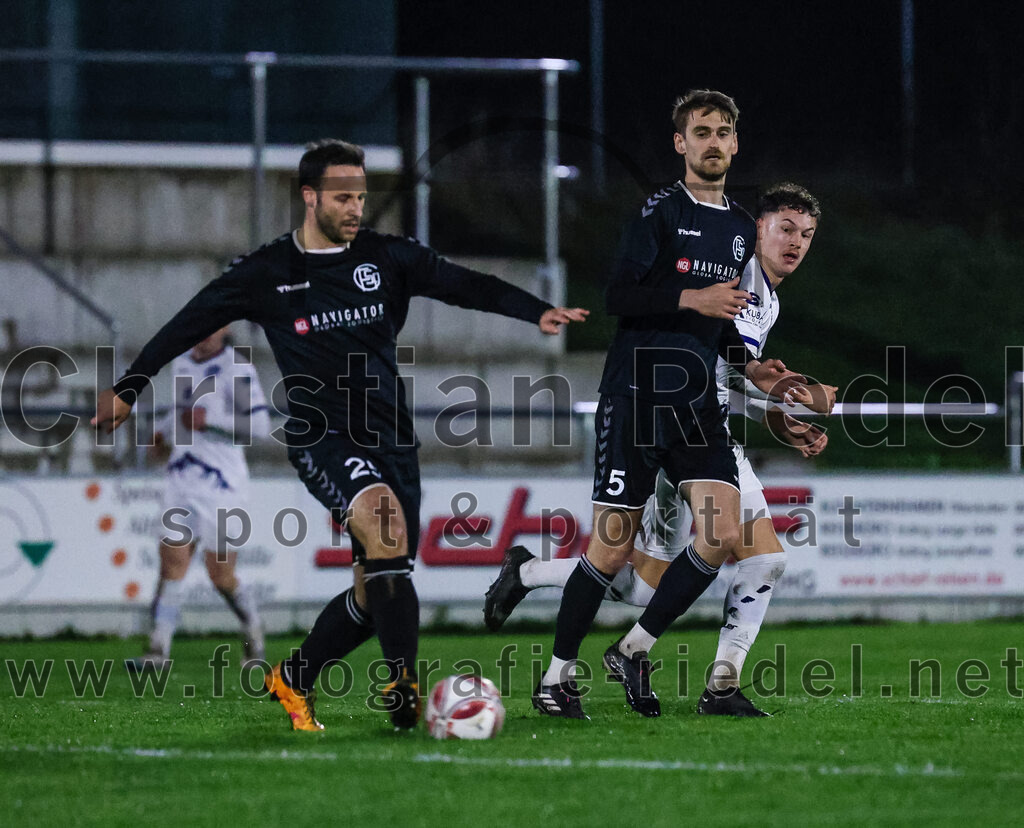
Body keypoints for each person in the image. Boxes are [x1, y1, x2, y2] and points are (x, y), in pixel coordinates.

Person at [93, 138, 588, 731]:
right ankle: (404, 689)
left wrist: (535, 310)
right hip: (322, 436)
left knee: (378, 580)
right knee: (385, 527)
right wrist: (129, 387)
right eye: (342, 196)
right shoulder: (268, 271)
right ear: (310, 197)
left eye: (361, 196)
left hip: (392, 439)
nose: (355, 207)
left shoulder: (387, 257)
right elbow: (187, 324)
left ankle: (294, 679)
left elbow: (465, 284)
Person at [486, 183, 835, 717]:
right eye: (784, 228)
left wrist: (774, 415)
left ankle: (531, 575)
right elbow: (704, 362)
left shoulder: (769, 299)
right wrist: (774, 405)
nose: (795, 242)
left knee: (653, 585)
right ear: (756, 229)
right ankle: (654, 663)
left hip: (702, 425)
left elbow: (725, 372)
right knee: (752, 559)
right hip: (679, 424)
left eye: (806, 235)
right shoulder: (735, 275)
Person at [530, 90, 806, 719]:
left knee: (721, 530)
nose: (713, 141)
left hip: (695, 404)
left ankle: (633, 647)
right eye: (701, 131)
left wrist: (751, 365)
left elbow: (724, 327)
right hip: (636, 394)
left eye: (724, 131)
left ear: (736, 144)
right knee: (610, 549)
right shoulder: (658, 212)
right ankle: (555, 680)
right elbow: (620, 294)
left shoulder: (741, 227)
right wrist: (692, 299)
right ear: (680, 143)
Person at [127, 326, 271, 672]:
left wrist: (213, 421)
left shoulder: (237, 370)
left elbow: (261, 426)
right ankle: (158, 649)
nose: (204, 334)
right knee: (172, 561)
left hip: (222, 484)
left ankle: (254, 633)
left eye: (213, 328)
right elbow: (181, 413)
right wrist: (161, 433)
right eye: (200, 326)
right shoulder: (181, 364)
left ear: (226, 330)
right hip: (183, 477)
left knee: (221, 574)